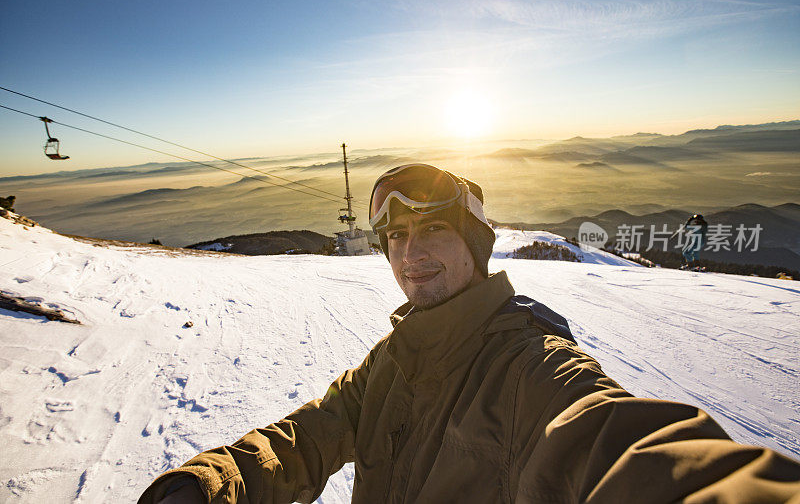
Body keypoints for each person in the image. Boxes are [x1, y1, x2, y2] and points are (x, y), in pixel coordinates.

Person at [140, 164, 800, 503]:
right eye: (395, 236)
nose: (409, 253)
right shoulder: (391, 361)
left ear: (477, 246)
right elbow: (309, 435)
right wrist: (213, 480)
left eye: (432, 229)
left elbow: (617, 442)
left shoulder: (528, 366)